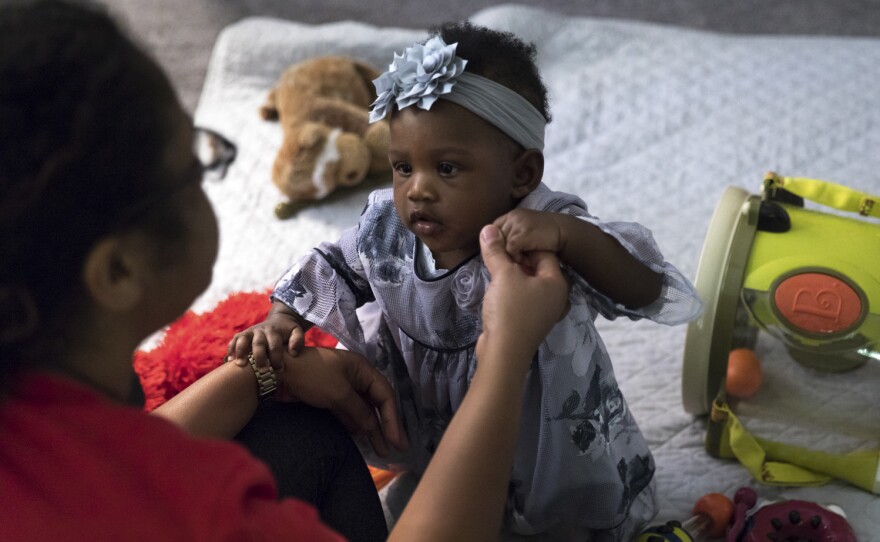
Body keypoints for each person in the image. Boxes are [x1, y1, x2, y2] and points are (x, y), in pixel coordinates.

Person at [0, 2, 570, 541]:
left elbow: (109, 467)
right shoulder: (207, 511)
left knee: (296, 425)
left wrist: (258, 376)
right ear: (118, 271)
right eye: (195, 162)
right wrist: (505, 356)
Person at [228, 22, 703, 540]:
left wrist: (570, 237)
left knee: (565, 519)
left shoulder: (545, 230)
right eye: (403, 166)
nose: (418, 191)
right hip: (436, 420)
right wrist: (283, 316)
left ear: (521, 174)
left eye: (448, 168)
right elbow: (333, 264)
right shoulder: (387, 224)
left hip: (542, 430)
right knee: (448, 488)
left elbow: (645, 289)